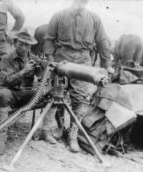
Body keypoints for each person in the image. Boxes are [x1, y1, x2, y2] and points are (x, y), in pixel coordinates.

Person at [43, 0, 114, 152]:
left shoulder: (94, 18)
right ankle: (56, 129)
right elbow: (48, 39)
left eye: (84, 2)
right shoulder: (59, 15)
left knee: (80, 98)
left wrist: (106, 63)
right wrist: (51, 61)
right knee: (56, 93)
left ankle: (73, 135)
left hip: (83, 60)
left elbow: (102, 41)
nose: (80, 4)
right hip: (61, 57)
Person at [0, 29, 47, 124]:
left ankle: (45, 130)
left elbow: (42, 75)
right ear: (15, 43)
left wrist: (40, 71)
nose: (24, 48)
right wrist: (23, 71)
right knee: (3, 94)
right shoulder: (7, 59)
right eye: (21, 45)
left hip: (28, 93)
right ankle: (1, 126)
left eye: (27, 45)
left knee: (49, 95)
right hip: (12, 92)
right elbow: (6, 81)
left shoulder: (34, 58)